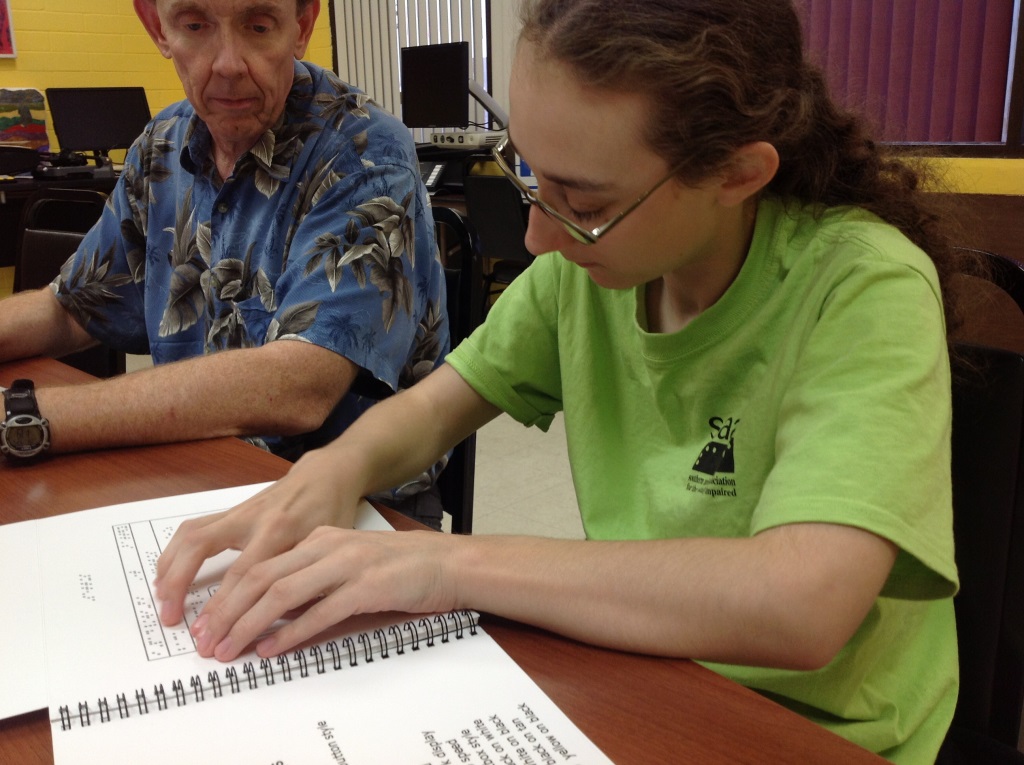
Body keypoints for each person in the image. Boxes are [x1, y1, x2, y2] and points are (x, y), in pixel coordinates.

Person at [153, 0, 971, 760]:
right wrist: (330, 474)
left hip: (815, 730)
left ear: (736, 174)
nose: (538, 237)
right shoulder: (586, 272)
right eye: (529, 174)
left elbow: (802, 602)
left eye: (583, 200)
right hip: (638, 674)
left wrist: (446, 564)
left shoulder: (865, 285)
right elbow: (431, 410)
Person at [0, 0, 448, 519]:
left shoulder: (366, 151)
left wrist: (26, 416)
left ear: (301, 26)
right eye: (196, 26)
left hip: (355, 509)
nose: (228, 64)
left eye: (258, 26)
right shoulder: (160, 146)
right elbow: (71, 306)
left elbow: (301, 385)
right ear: (158, 27)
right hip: (197, 473)